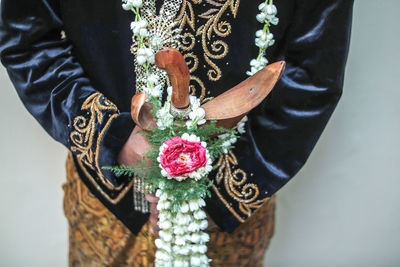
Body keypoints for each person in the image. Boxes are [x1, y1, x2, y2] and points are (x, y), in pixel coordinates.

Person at [0, 0, 354, 266]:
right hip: (103, 201)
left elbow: (313, 72)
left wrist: (224, 196)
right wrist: (113, 136)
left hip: (235, 205)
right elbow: (27, 41)